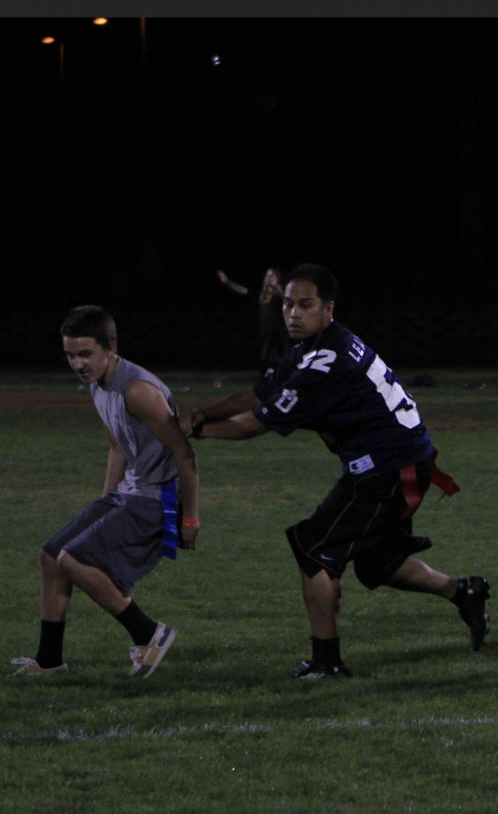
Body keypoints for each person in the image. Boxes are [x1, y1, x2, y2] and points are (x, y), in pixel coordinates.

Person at [181, 263, 490, 679]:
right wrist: (201, 413)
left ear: (328, 309)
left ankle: (327, 662)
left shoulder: (324, 362)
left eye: (304, 305)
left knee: (314, 549)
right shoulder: (316, 346)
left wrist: (194, 432)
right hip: (396, 462)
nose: (292, 313)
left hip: (390, 467)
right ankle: (465, 592)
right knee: (377, 561)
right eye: (288, 304)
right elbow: (258, 393)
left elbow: (254, 424)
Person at [12, 305, 199, 680]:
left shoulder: (138, 390)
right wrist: (106, 500)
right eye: (70, 355)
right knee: (50, 556)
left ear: (110, 348)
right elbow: (118, 447)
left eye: (85, 354)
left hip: (159, 499)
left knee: (73, 559)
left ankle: (149, 634)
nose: (78, 364)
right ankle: (49, 661)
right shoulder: (99, 384)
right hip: (130, 494)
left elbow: (184, 451)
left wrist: (190, 517)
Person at [217, 267, 290, 373]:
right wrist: (228, 282)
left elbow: (286, 300)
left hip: (279, 333)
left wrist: (276, 286)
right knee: (265, 360)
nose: (269, 278)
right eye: (267, 275)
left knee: (275, 359)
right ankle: (267, 382)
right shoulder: (262, 295)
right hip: (266, 332)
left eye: (272, 275)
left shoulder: (279, 294)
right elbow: (243, 290)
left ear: (277, 278)